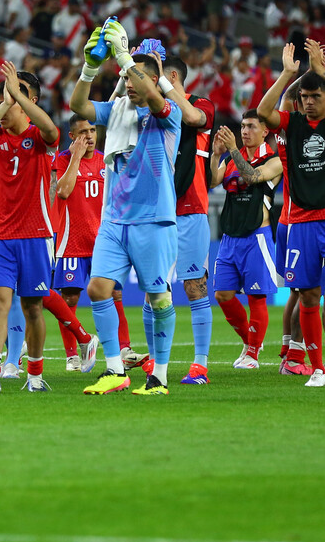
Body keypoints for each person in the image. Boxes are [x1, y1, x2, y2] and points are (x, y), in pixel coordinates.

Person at [69, 20, 182, 396]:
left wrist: (124, 56)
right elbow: (78, 105)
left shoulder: (168, 115)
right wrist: (89, 67)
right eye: (126, 78)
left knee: (158, 297)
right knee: (98, 288)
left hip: (153, 219)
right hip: (114, 220)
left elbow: (153, 96)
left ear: (151, 79)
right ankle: (115, 370)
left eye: (135, 78)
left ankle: (160, 376)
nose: (128, 83)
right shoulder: (117, 108)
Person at [257, 40, 325, 388]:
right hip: (299, 223)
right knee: (307, 294)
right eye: (303, 97)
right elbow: (263, 112)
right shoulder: (289, 124)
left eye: (314, 95)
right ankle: (318, 367)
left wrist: (324, 70)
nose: (308, 101)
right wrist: (288, 74)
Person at [0, 63, 61, 394]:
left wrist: (17, 95)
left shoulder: (38, 137)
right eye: (1, 100)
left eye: (12, 98)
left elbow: (51, 130)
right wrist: (6, 103)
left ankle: (34, 375)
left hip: (36, 235)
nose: (3, 106)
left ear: (28, 99)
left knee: (33, 307)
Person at [156, 52, 216, 385]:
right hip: (155, 211)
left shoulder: (202, 103)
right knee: (156, 289)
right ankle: (155, 361)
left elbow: (193, 118)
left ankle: (200, 365)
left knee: (194, 287)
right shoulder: (151, 107)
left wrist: (164, 85)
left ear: (172, 78)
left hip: (190, 209)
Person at [210, 113, 282, 370]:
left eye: (251, 126)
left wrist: (231, 149)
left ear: (265, 131)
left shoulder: (274, 161)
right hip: (230, 237)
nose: (245, 131)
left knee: (256, 297)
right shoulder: (230, 158)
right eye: (242, 126)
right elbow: (212, 181)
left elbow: (251, 177)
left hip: (257, 236)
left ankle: (252, 354)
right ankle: (251, 341)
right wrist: (217, 154)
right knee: (222, 294)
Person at [50, 115, 107, 374]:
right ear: (72, 137)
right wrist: (75, 157)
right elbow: (62, 191)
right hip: (72, 240)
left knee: (112, 294)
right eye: (83, 132)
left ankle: (123, 349)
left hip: (103, 241)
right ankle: (72, 355)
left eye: (93, 130)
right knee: (69, 297)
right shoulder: (62, 159)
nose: (90, 136)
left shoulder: (107, 159)